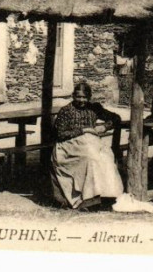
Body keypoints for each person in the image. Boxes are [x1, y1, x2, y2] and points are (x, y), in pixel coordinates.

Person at [51, 81, 124, 209]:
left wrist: (105, 127)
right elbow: (60, 134)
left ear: (89, 97)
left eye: (84, 97)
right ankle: (87, 198)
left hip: (90, 143)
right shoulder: (66, 111)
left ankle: (107, 194)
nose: (81, 100)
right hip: (68, 146)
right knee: (90, 159)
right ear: (73, 96)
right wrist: (83, 130)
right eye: (78, 97)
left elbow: (116, 118)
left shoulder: (94, 108)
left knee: (106, 157)